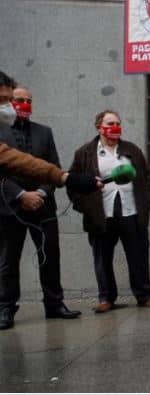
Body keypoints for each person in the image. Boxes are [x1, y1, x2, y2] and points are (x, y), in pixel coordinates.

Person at [0, 85, 82, 330]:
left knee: (51, 255)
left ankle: (54, 304)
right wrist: (21, 195)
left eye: (28, 100)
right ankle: (5, 308)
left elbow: (53, 166)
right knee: (7, 260)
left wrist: (42, 193)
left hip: (43, 206)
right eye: (18, 100)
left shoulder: (44, 132)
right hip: (9, 206)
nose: (24, 104)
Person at [68, 110, 150, 315]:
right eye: (110, 123)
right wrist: (84, 205)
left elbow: (147, 176)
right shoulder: (84, 153)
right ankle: (106, 298)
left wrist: (148, 200)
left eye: (118, 123)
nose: (115, 127)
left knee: (138, 255)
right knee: (102, 258)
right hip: (101, 214)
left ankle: (145, 295)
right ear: (99, 127)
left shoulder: (132, 150)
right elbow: (73, 182)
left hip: (132, 211)